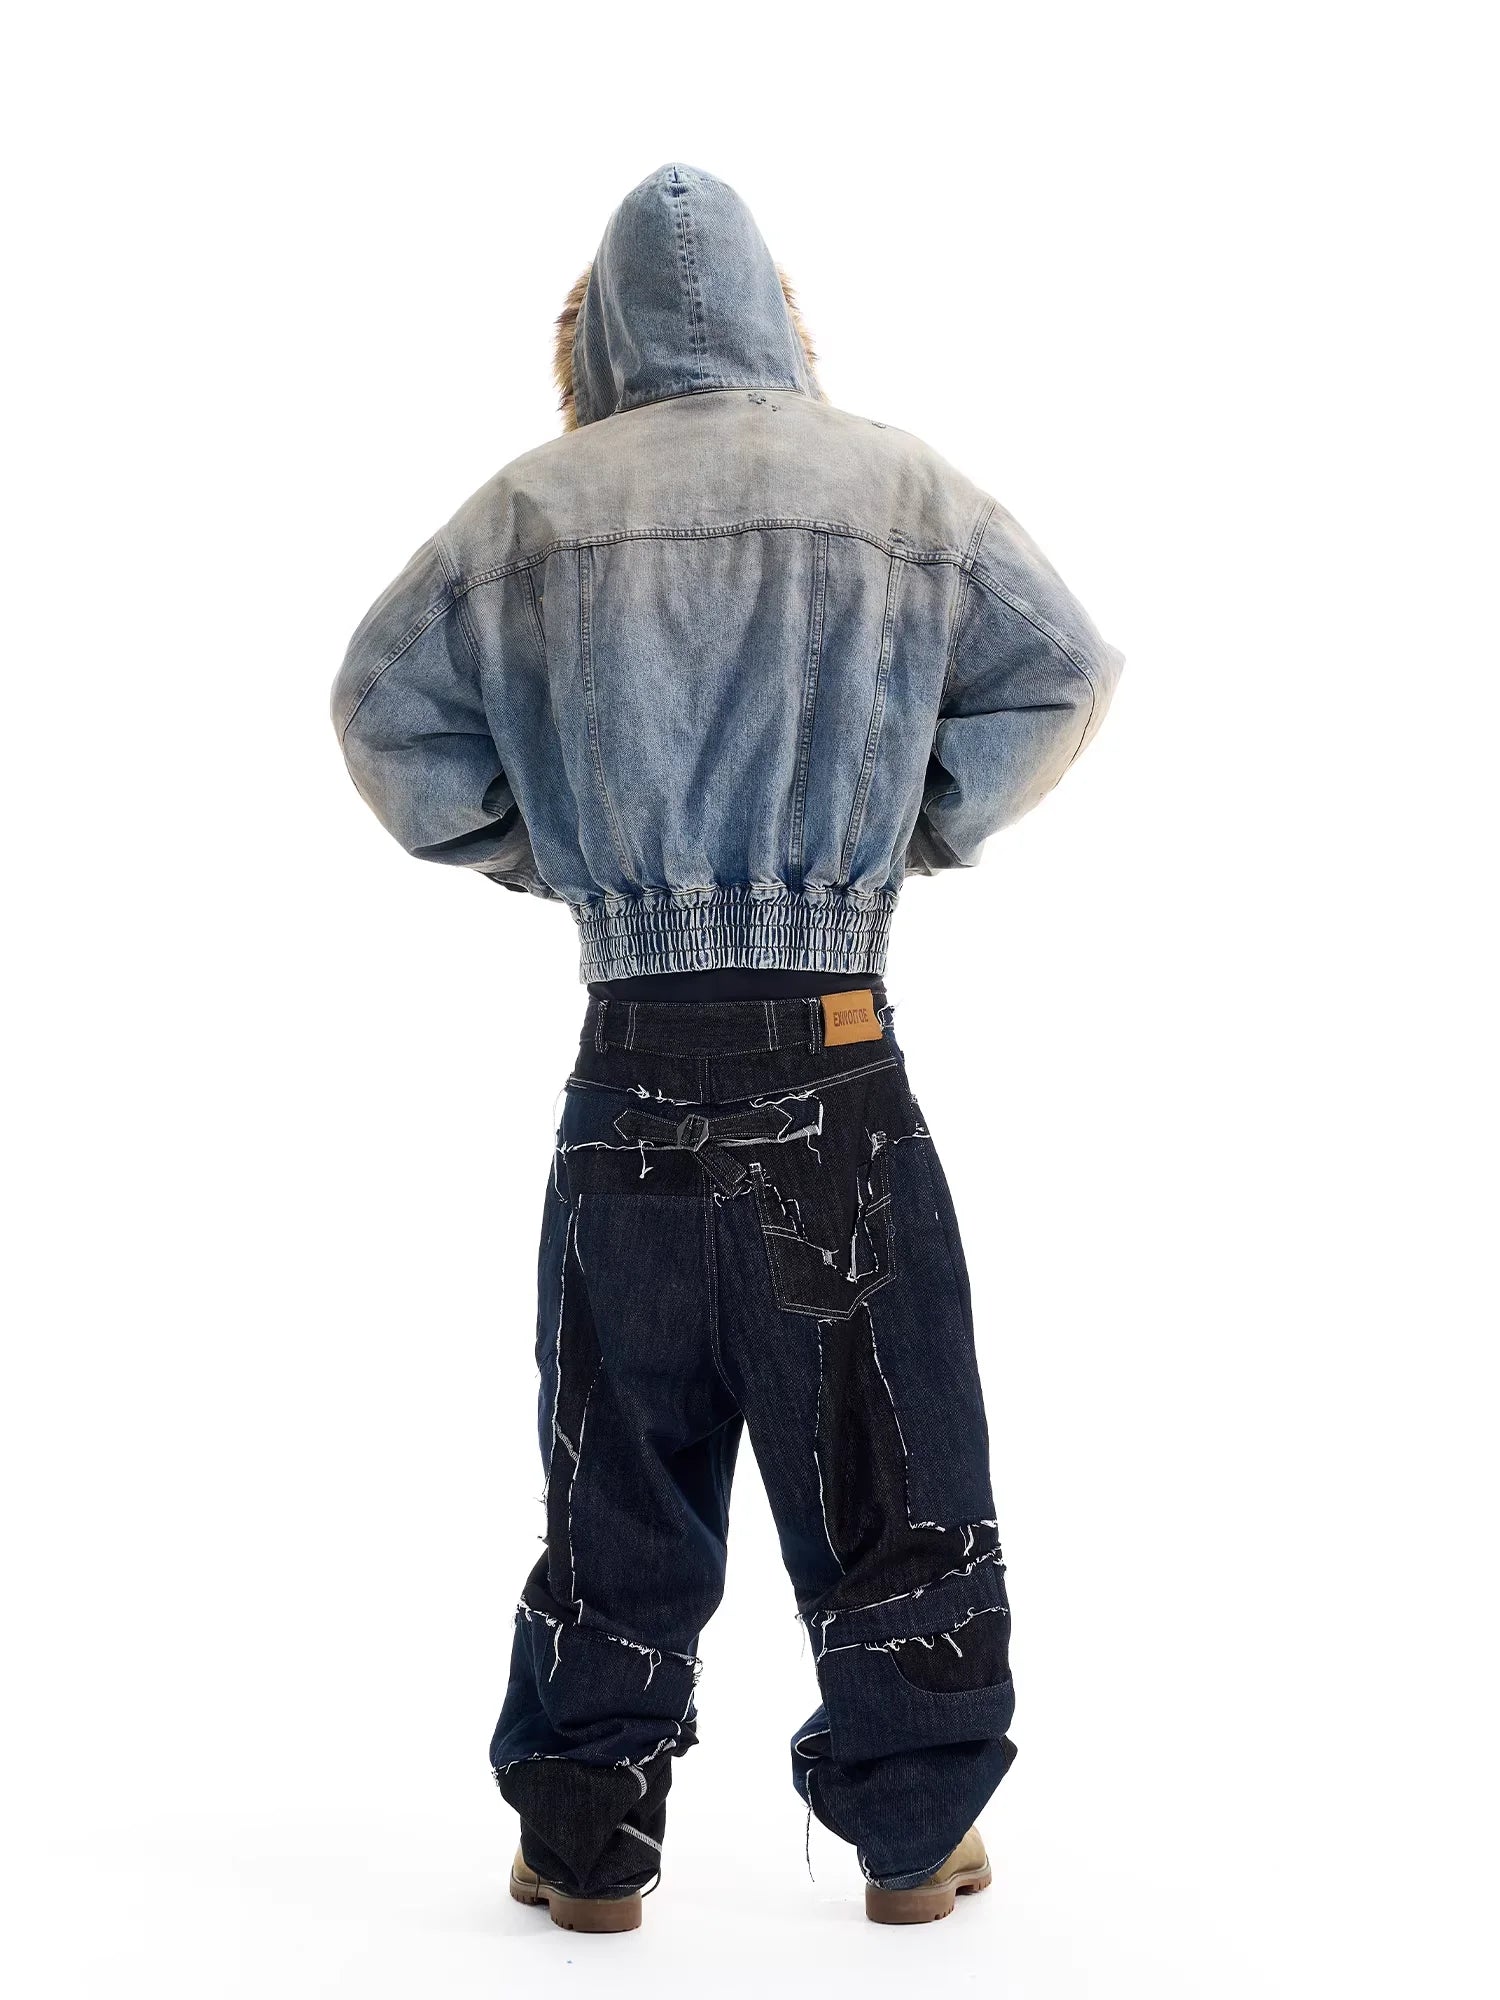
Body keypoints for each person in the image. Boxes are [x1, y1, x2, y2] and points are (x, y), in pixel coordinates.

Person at [331, 163, 1122, 1933]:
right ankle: (916, 1835)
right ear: (778, 313)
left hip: (628, 1058)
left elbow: (380, 718)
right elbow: (1063, 667)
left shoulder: (524, 514)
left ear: (597, 338)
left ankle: (584, 1845)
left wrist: (559, 857)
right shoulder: (901, 487)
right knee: (896, 1455)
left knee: (618, 1463)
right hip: (835, 1054)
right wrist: (908, 829)